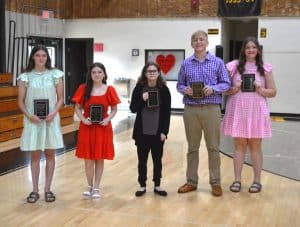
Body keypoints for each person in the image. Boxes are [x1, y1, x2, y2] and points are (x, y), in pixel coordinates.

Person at [176, 30, 230, 196]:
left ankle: (215, 182)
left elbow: (226, 83)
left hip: (211, 109)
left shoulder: (217, 62)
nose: (198, 42)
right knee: (192, 148)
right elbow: (179, 85)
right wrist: (187, 90)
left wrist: (213, 88)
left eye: (201, 39)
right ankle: (191, 181)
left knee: (213, 147)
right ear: (192, 44)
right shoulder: (185, 63)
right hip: (191, 109)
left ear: (206, 42)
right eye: (195, 40)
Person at [222, 36, 276, 193]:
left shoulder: (265, 68)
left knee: (255, 146)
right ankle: (237, 180)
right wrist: (235, 88)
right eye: (247, 48)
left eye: (253, 47)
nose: (251, 50)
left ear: (258, 50)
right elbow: (225, 90)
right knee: (239, 146)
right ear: (243, 50)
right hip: (238, 110)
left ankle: (257, 181)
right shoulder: (233, 67)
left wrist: (261, 89)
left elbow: (273, 92)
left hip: (256, 111)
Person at [17, 45, 64, 203]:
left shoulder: (55, 74)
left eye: (44, 55)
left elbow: (61, 99)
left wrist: (53, 113)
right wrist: (30, 116)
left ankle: (48, 189)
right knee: (35, 156)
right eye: (38, 55)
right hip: (33, 121)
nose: (41, 58)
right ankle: (35, 190)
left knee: (50, 155)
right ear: (33, 57)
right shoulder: (25, 77)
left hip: (50, 119)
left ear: (47, 58)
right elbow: (20, 102)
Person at [72, 62, 120, 199]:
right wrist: (82, 119)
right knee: (88, 159)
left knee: (99, 158)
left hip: (103, 128)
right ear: (90, 75)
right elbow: (77, 108)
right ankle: (89, 185)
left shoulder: (109, 89)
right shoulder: (83, 88)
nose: (97, 74)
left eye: (99, 72)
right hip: (87, 127)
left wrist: (108, 119)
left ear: (104, 74)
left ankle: (97, 187)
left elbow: (114, 109)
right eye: (94, 72)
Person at [130, 62, 171, 197]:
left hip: (157, 131)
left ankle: (157, 185)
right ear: (145, 73)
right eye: (149, 71)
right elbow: (133, 108)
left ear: (159, 73)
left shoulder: (164, 89)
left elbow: (167, 112)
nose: (152, 73)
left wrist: (165, 131)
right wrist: (142, 99)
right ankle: (142, 185)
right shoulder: (139, 88)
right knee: (142, 160)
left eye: (154, 71)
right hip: (142, 131)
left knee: (157, 160)